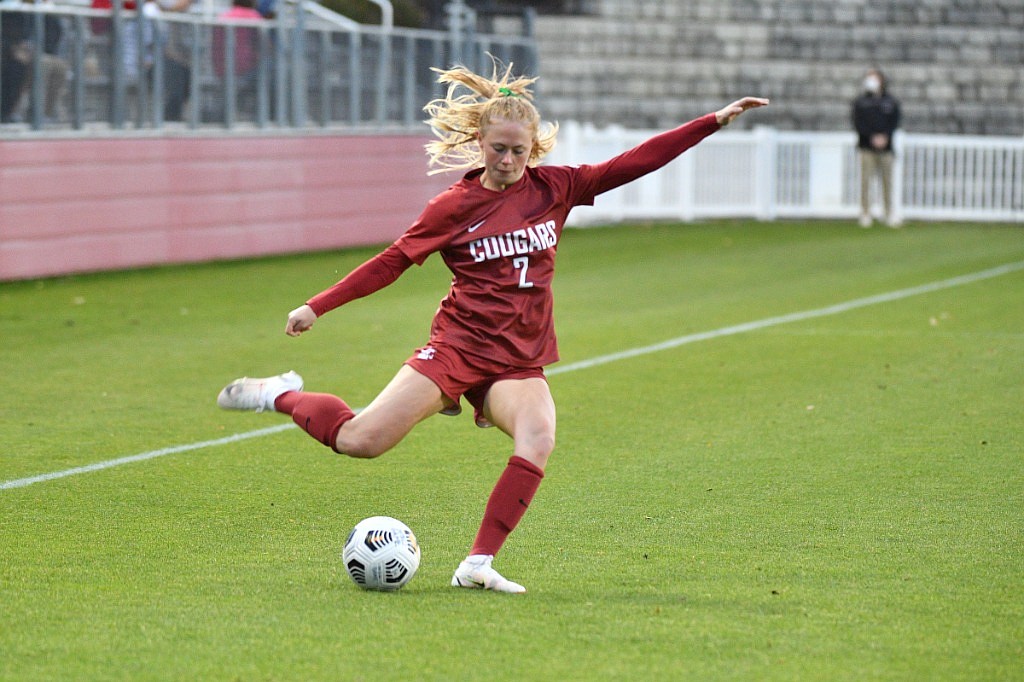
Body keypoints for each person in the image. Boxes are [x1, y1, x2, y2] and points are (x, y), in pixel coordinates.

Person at [217, 61, 768, 593]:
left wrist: (710, 121)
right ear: (479, 143)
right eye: (498, 148)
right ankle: (282, 394)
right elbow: (391, 262)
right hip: (458, 347)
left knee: (539, 437)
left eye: (519, 151)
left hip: (519, 359)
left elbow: (635, 162)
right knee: (361, 440)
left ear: (535, 149)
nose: (508, 160)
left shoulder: (556, 187)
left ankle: (477, 564)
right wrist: (318, 305)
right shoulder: (453, 206)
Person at [852, 68, 901, 228]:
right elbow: (858, 123)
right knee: (866, 180)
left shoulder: (890, 101)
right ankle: (865, 213)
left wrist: (884, 136)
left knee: (887, 181)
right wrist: (871, 136)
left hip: (886, 147)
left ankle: (889, 213)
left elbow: (894, 122)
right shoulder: (861, 102)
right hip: (866, 146)